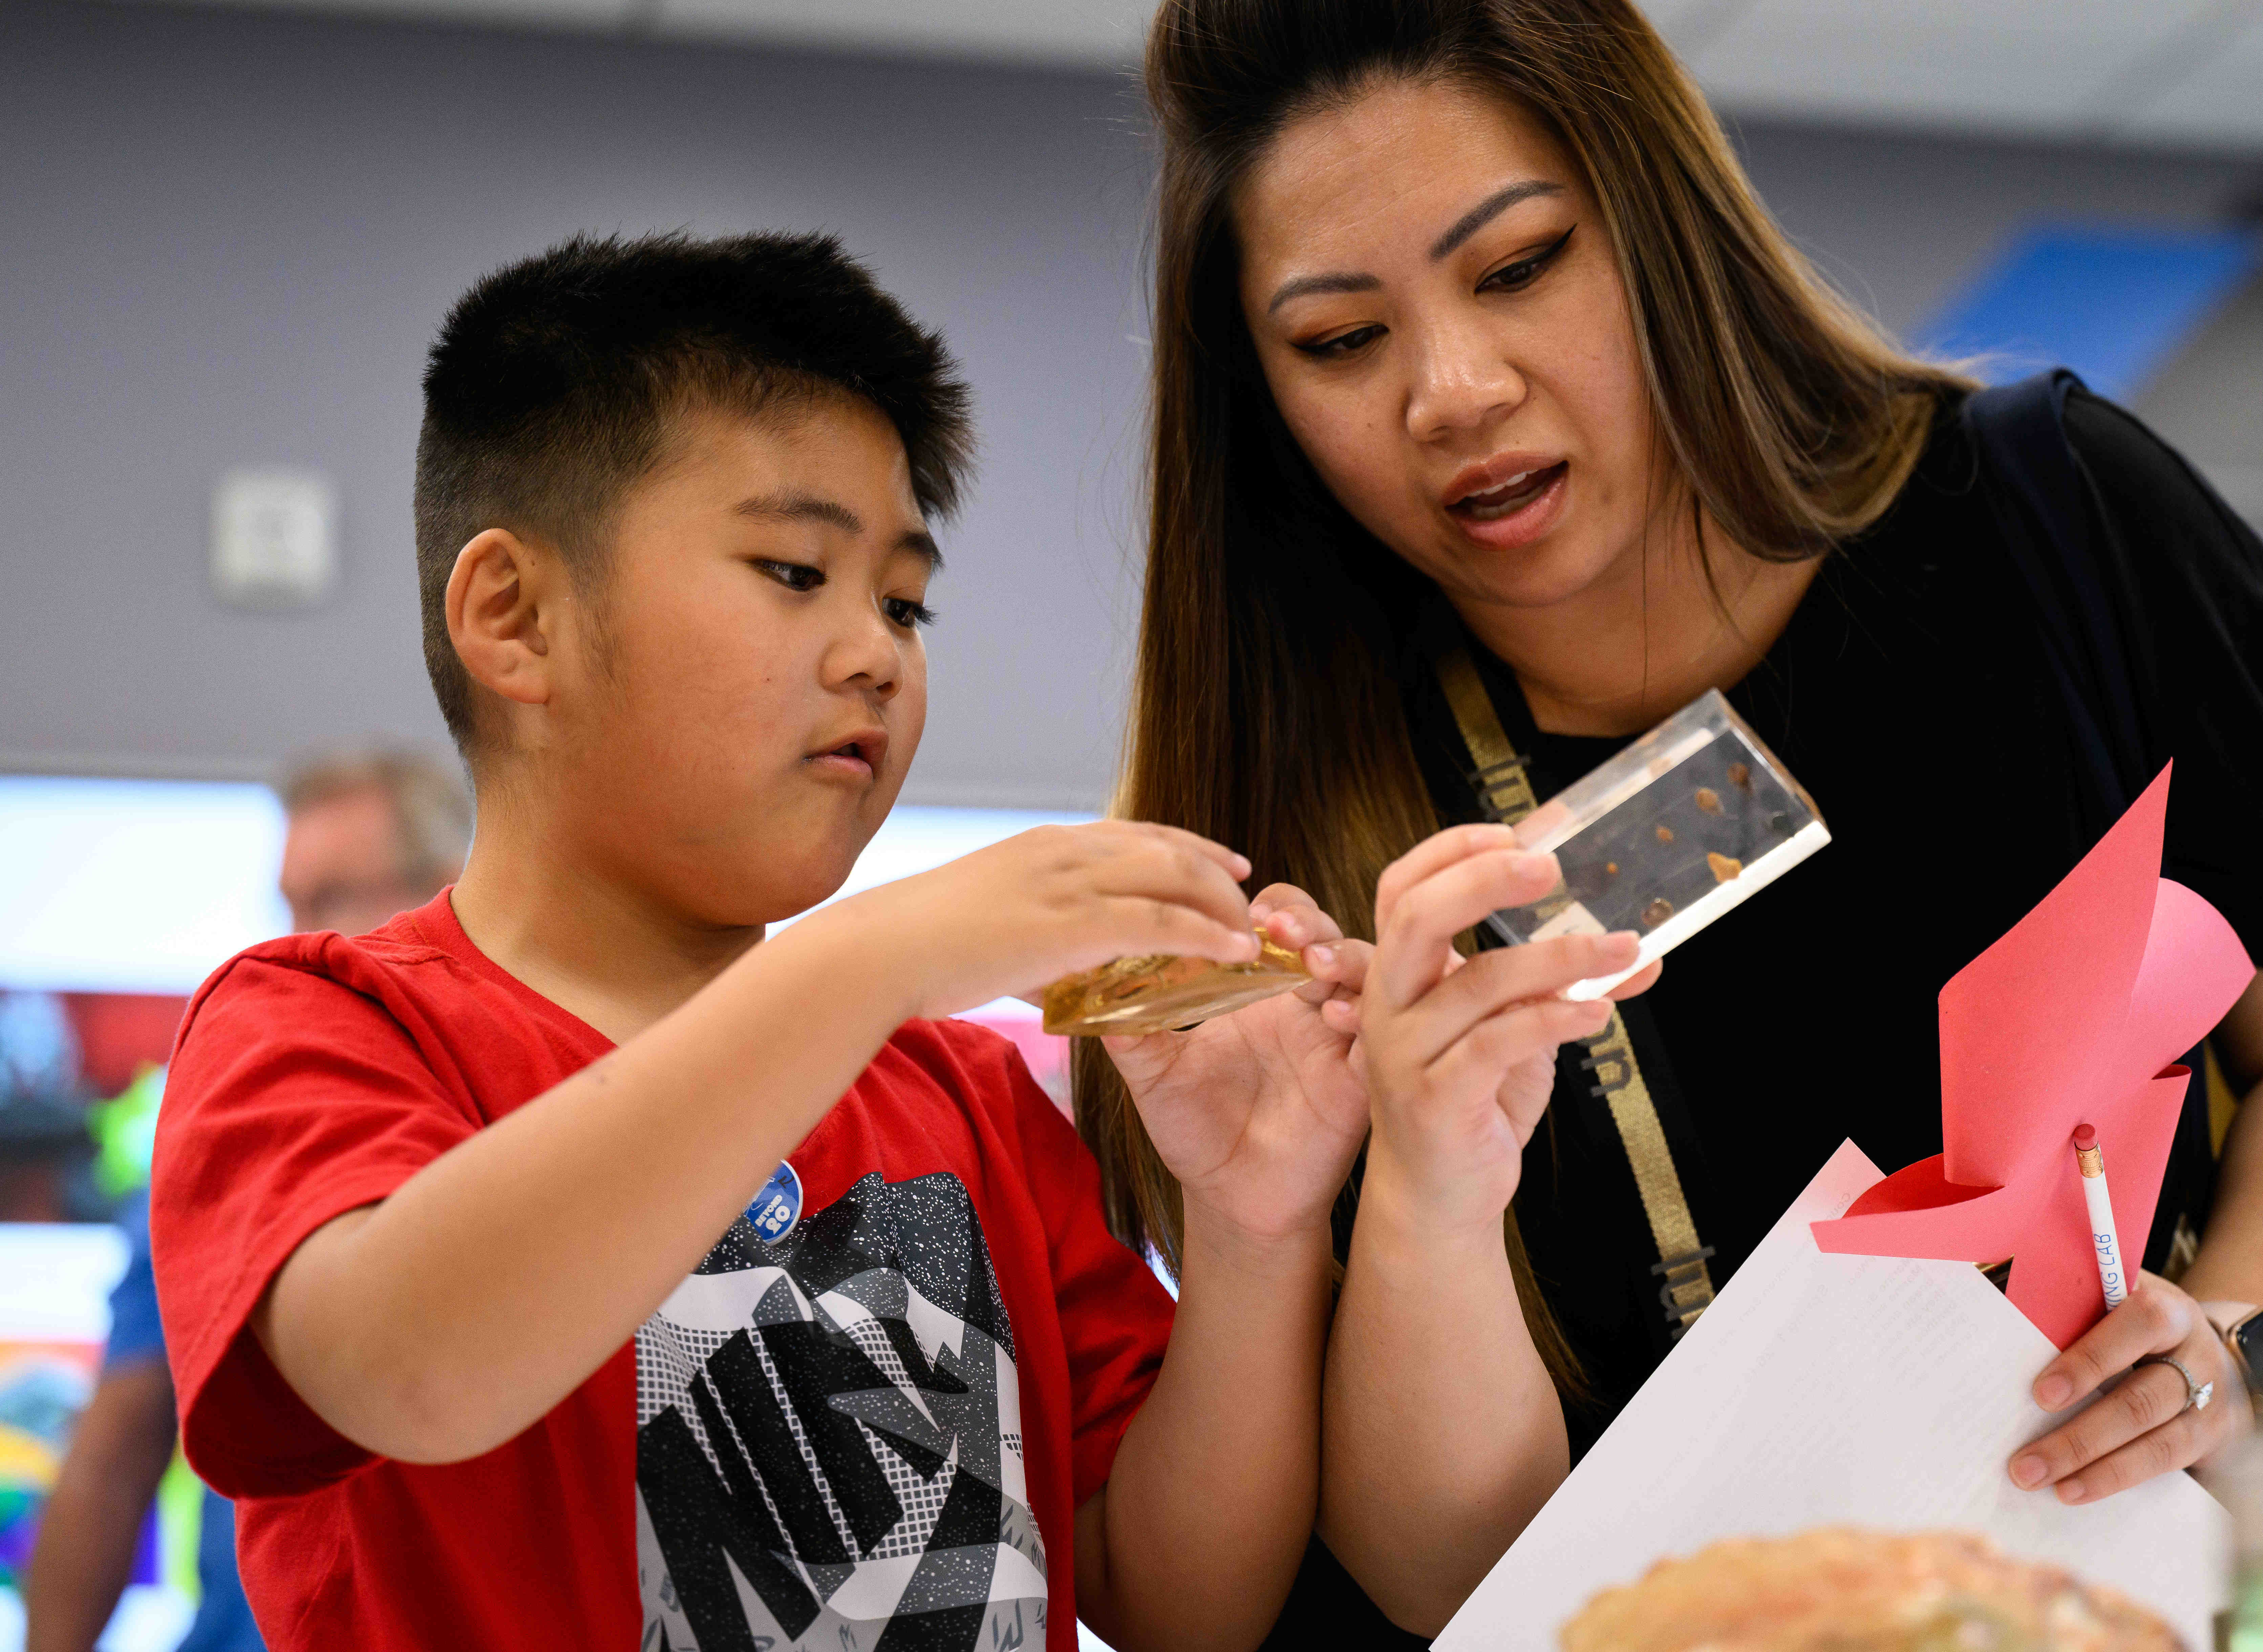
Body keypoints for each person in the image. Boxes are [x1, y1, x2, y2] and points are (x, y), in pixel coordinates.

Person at [1080, 0, 2263, 1643]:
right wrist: (1431, 1185)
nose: (1454, 388)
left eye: (1518, 267)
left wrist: (2239, 1340)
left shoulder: (2059, 521)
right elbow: (1446, 1587)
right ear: (1259, 396)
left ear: (1657, 221)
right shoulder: (1284, 818)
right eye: (1342, 341)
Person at [148, 231, 1372, 1650]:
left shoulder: (964, 1098)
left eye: (906, 600)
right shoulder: (320, 1024)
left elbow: (1182, 1599)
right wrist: (873, 955)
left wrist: (1250, 1226)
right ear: (515, 616)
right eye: (797, 569)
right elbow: (411, 1367)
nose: (878, 652)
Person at [24, 747, 469, 1652]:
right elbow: (115, 1456)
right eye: (290, 902)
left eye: (334, 896)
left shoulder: (528, 1114)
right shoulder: (237, 1143)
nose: (294, 939)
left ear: (448, 889)